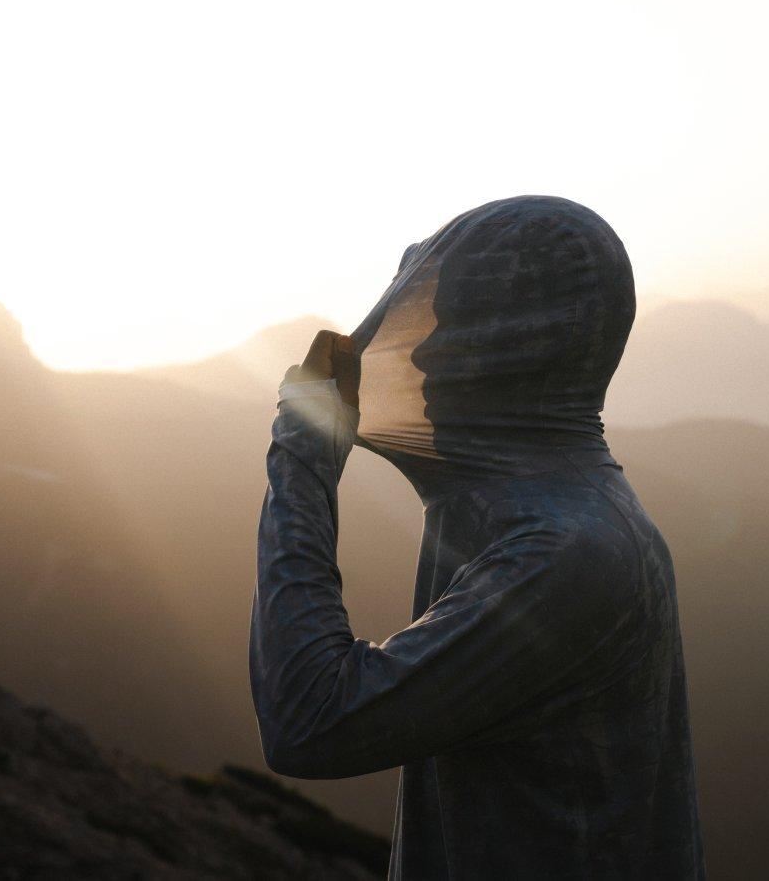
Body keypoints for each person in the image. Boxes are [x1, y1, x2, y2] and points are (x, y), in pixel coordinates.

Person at [249, 195, 707, 879]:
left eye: (459, 325)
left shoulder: (565, 551)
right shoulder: (554, 507)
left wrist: (301, 460)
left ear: (526, 347)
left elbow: (309, 721)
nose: (425, 350)